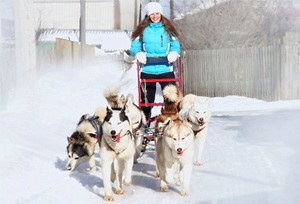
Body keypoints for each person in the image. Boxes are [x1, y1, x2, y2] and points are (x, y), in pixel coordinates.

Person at [130, 2, 181, 121]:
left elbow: (176, 45)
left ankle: (172, 122)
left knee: (171, 100)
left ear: (161, 14)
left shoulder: (168, 29)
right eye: (152, 14)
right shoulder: (142, 30)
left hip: (165, 68)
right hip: (148, 70)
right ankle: (145, 123)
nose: (155, 16)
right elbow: (134, 47)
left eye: (157, 13)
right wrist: (138, 53)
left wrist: (174, 53)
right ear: (148, 15)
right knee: (147, 102)